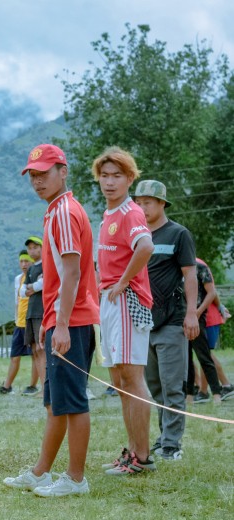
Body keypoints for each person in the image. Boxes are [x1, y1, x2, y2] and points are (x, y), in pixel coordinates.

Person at [3, 143, 100, 497]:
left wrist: (60, 324)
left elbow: (72, 273)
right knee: (55, 401)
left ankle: (75, 479)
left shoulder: (63, 212)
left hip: (70, 321)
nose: (38, 181)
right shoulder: (57, 210)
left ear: (63, 171)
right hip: (64, 318)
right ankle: (41, 471)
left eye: (45, 173)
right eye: (33, 176)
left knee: (73, 400)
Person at [93, 147, 156, 476]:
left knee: (132, 378)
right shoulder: (109, 214)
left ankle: (142, 458)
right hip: (109, 301)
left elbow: (145, 246)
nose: (109, 182)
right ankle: (131, 451)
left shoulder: (131, 212)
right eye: (104, 176)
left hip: (127, 301)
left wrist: (122, 282)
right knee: (119, 380)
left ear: (130, 178)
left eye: (117, 175)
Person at [131, 180, 199, 461]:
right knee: (154, 386)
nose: (142, 207)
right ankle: (162, 437)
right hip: (144, 322)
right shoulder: (138, 236)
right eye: (139, 202)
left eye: (148, 202)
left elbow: (190, 274)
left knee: (173, 386)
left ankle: (172, 444)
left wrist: (191, 313)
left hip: (172, 321)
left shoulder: (177, 234)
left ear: (161, 204)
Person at [0, 251, 37, 395]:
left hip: (32, 322)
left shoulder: (37, 278)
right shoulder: (18, 279)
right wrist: (17, 317)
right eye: (21, 261)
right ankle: (7, 386)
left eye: (27, 261)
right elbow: (17, 301)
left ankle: (32, 386)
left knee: (35, 355)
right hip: (20, 323)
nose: (24, 264)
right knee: (15, 356)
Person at [188, 258, 227, 403]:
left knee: (205, 355)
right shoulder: (178, 264)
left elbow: (213, 293)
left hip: (207, 318)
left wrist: (221, 308)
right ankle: (201, 390)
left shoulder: (199, 265)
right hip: (194, 317)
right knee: (197, 356)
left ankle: (211, 389)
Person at [21, 236, 45, 395]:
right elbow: (23, 291)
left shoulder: (46, 265)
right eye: (30, 248)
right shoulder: (30, 269)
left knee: (42, 349)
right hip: (30, 313)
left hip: (41, 312)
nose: (32, 250)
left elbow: (44, 283)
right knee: (35, 350)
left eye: (36, 247)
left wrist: (34, 287)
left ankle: (46, 387)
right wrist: (34, 286)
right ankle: (43, 385)